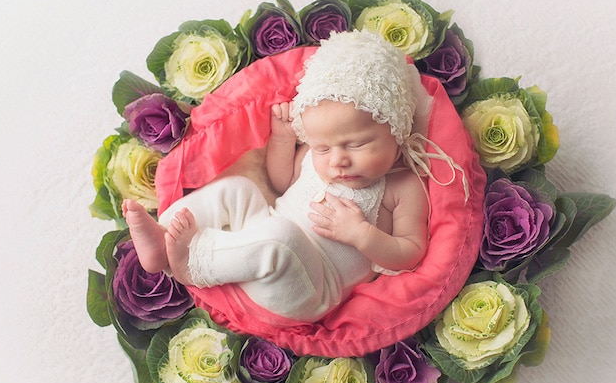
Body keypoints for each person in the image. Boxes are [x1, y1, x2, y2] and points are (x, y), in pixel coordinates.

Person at [123, 30, 465, 323]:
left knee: (281, 237)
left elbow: (411, 253)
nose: (338, 161)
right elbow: (279, 181)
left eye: (356, 144)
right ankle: (164, 238)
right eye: (323, 148)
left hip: (310, 288)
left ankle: (193, 263)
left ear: (396, 132)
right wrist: (284, 139)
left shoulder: (401, 187)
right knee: (239, 191)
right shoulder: (314, 159)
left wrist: (362, 235)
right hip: (262, 233)